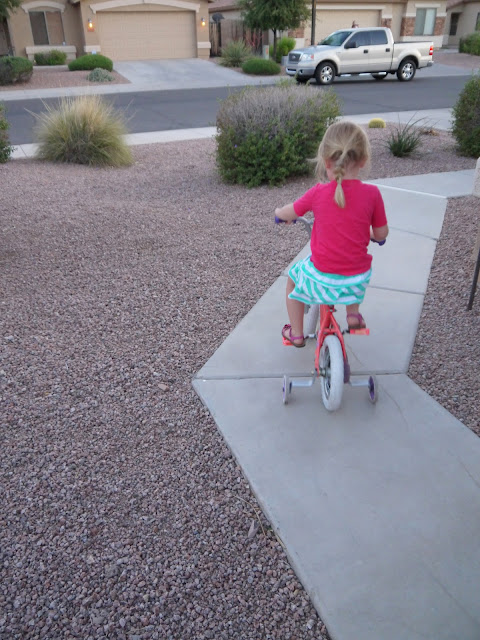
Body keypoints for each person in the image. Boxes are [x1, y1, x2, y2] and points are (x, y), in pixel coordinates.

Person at [275, 120, 389, 347]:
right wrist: (370, 234)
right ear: (363, 160)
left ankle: (296, 333)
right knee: (354, 265)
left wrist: (279, 213)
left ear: (326, 161)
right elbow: (381, 233)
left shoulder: (318, 192)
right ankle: (353, 314)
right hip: (356, 281)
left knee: (293, 279)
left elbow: (290, 211)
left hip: (321, 279)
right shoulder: (372, 194)